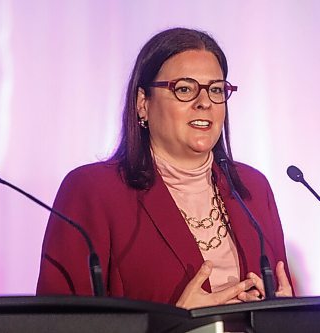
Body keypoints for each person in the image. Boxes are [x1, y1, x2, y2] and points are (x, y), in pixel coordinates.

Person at [36, 27, 293, 309]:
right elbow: (60, 322)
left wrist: (283, 316)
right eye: (184, 89)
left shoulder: (252, 188)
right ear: (142, 104)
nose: (204, 102)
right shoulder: (93, 190)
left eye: (216, 90)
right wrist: (174, 323)